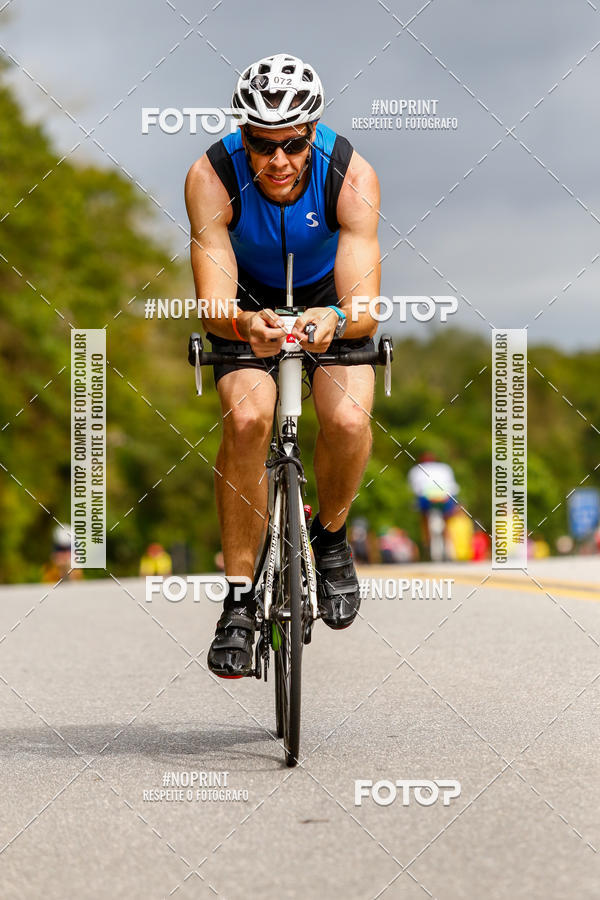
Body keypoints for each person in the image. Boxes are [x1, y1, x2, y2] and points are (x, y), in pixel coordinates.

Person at [185, 53, 381, 677]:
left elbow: (366, 309)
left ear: (312, 134)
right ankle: (240, 601)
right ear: (243, 135)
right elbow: (213, 298)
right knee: (247, 421)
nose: (277, 162)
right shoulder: (211, 176)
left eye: (292, 145)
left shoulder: (349, 175)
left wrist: (337, 322)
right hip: (246, 308)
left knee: (347, 421)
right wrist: (244, 324)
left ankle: (329, 537)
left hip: (329, 303)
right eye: (261, 145)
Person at [407, 452, 459, 552]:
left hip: (426, 499)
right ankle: (449, 543)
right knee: (447, 521)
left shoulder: (416, 470)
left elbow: (413, 489)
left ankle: (427, 542)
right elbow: (453, 487)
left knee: (423, 517)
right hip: (446, 497)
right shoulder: (445, 468)